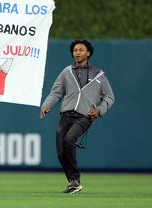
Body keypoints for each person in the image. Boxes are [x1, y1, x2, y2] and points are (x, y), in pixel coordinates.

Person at [40, 39, 114, 193]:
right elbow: (56, 93)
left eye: (81, 50)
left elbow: (109, 97)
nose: (77, 53)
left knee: (69, 140)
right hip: (66, 115)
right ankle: (73, 182)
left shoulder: (99, 75)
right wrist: (46, 105)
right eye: (75, 50)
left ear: (88, 53)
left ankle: (75, 180)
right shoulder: (66, 72)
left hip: (84, 116)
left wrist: (99, 110)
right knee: (61, 152)